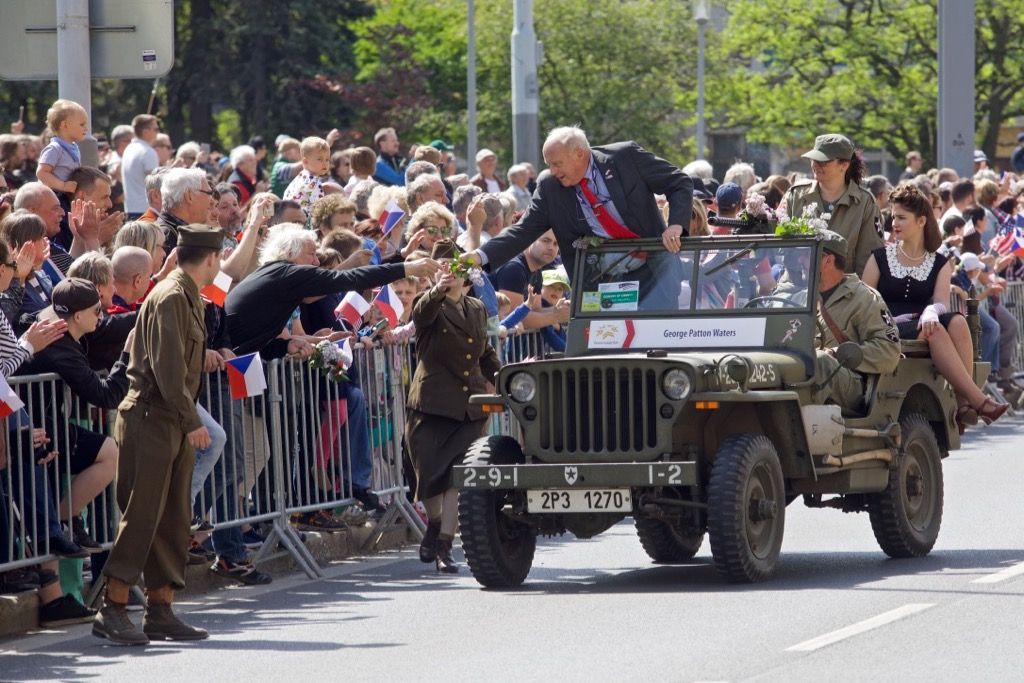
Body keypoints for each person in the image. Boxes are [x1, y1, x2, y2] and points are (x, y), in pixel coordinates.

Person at [95, 224, 225, 646]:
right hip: (152, 416)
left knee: (172, 517)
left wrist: (185, 420)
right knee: (142, 514)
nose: (219, 264)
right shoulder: (171, 297)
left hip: (168, 418)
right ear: (210, 258)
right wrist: (193, 421)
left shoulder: (185, 296)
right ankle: (112, 606)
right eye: (219, 257)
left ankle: (161, 608)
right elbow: (169, 370)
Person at [461, 126, 692, 299]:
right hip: (601, 283)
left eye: (557, 163)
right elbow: (522, 231)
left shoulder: (625, 157)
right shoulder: (550, 187)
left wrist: (676, 225)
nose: (552, 171)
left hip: (655, 273)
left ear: (580, 153)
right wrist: (479, 257)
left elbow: (679, 182)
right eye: (548, 164)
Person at [861, 184, 1008, 433]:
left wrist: (931, 311)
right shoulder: (879, 257)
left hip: (922, 321)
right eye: (893, 216)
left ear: (921, 221)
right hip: (886, 325)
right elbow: (864, 302)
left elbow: (940, 301)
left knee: (958, 321)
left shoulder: (939, 262)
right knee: (935, 330)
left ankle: (964, 403)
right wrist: (890, 317)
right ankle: (979, 401)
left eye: (901, 218)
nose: (894, 223)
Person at [406, 240, 501, 573]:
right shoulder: (427, 302)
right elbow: (421, 317)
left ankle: (445, 545)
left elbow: (485, 353)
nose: (452, 274)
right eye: (445, 268)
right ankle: (434, 525)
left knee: (454, 479)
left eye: (458, 268)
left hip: (467, 408)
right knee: (429, 478)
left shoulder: (475, 308)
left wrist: (506, 377)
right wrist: (436, 290)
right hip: (433, 405)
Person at [812, 230, 900, 412]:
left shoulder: (865, 298)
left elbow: (889, 350)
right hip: (803, 376)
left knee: (819, 361)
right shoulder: (800, 297)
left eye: (807, 256)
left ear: (828, 260)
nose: (800, 262)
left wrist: (838, 353)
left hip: (849, 382)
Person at [782, 134, 883, 275]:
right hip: (798, 285)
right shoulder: (796, 195)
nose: (816, 165)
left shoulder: (864, 202)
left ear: (844, 165)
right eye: (814, 159)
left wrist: (856, 294)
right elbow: (781, 245)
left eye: (823, 161)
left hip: (846, 289)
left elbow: (868, 260)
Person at [35, 100, 87, 200]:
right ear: (64, 125)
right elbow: (41, 173)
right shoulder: (55, 148)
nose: (86, 129)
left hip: (66, 195)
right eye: (82, 124)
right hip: (54, 196)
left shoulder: (73, 147)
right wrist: (62, 185)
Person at [121, 115, 160, 219]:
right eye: (156, 129)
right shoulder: (148, 152)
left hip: (130, 210)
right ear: (146, 131)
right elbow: (155, 184)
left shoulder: (128, 149)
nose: (158, 132)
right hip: (146, 211)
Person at [283, 136, 331, 220]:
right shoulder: (313, 181)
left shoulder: (301, 177)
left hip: (287, 217)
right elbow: (320, 207)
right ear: (305, 162)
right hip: (302, 222)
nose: (325, 163)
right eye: (320, 159)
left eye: (327, 159)